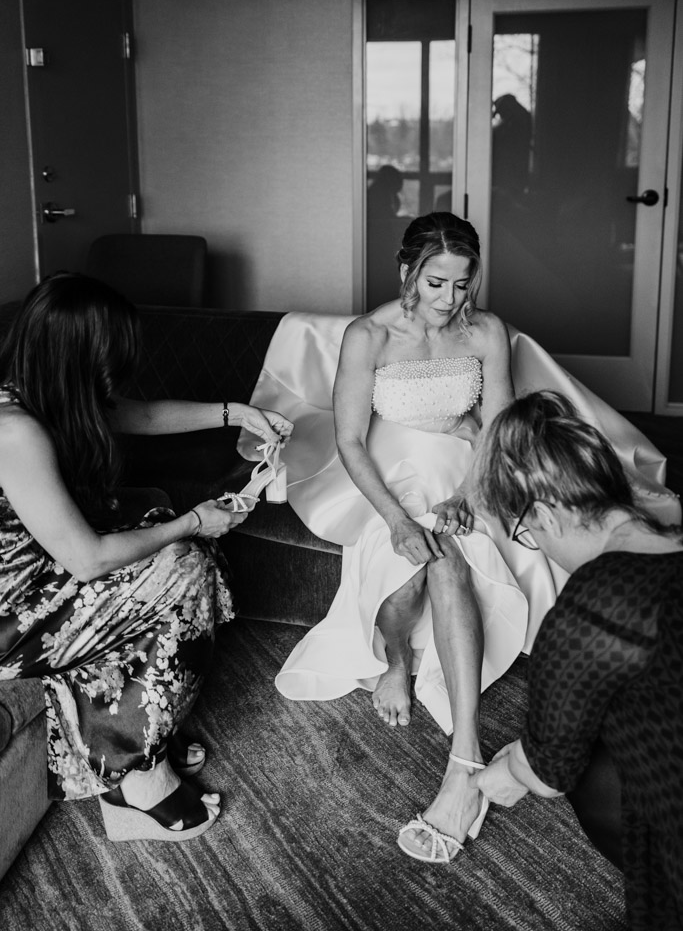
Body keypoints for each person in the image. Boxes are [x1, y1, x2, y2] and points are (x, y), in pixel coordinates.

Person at [0, 272, 293, 842]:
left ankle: (127, 731)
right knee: (184, 566)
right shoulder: (14, 430)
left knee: (167, 539)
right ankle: (132, 780)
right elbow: (87, 561)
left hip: (42, 572)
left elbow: (143, 415)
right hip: (12, 610)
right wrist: (195, 521)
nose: (118, 373)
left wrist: (239, 412)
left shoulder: (46, 393)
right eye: (109, 360)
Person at [276, 212, 532, 862]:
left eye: (462, 285)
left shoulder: (487, 331)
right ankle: (395, 661)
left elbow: (498, 429)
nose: (449, 301)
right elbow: (347, 439)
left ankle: (462, 763)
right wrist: (394, 518)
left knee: (445, 563)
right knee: (410, 559)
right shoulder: (369, 335)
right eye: (435, 283)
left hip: (466, 465)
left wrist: (468, 496)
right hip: (385, 469)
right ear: (406, 273)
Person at [471, 391, 682, 930]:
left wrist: (508, 769)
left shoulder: (591, 607)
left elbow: (550, 772)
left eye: (528, 532)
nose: (536, 542)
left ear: (543, 514)